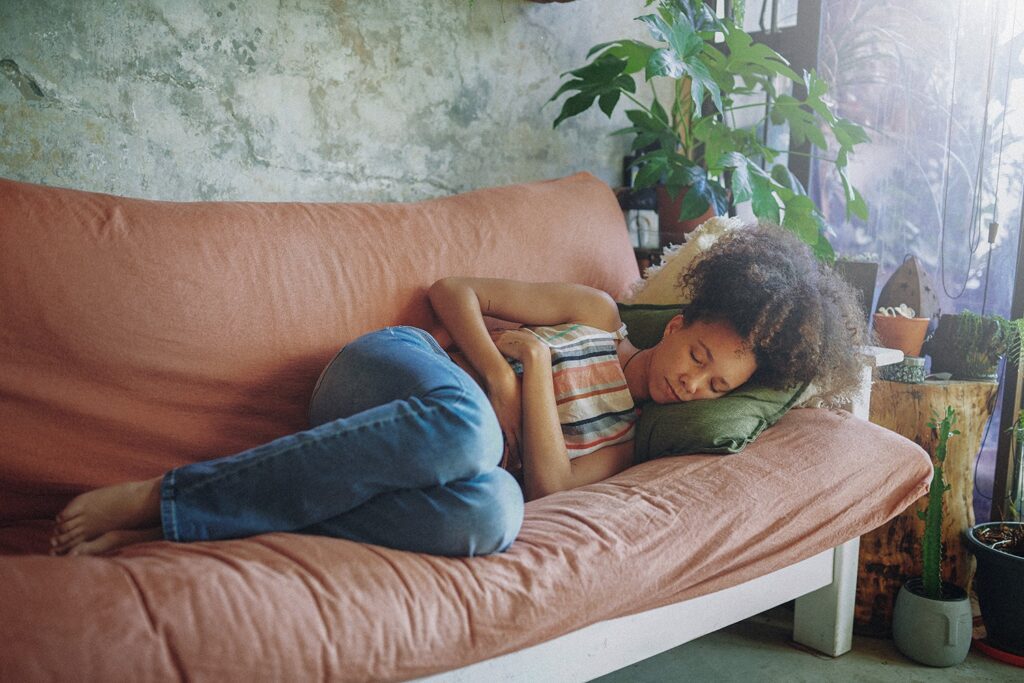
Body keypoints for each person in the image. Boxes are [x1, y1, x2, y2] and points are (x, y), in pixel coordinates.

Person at [48, 224, 865, 558]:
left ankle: (220, 518)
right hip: (387, 372)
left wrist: (531, 377)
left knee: (494, 515)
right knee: (469, 432)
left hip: (415, 460)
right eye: (698, 354)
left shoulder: (624, 442)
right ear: (683, 318)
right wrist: (489, 374)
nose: (693, 381)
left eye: (715, 384)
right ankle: (167, 496)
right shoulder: (595, 312)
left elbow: (545, 485)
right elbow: (454, 292)